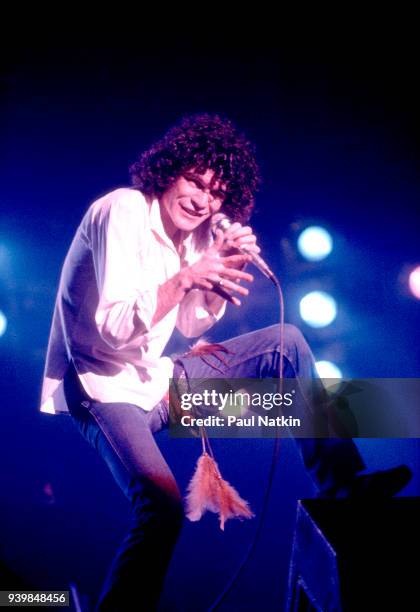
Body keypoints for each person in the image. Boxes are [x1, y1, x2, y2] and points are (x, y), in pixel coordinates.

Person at [40, 114, 411, 611]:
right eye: (194, 181)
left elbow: (191, 325)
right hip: (101, 386)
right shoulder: (123, 209)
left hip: (157, 384)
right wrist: (189, 276)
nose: (202, 199)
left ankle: (341, 484)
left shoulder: (193, 237)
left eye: (215, 193)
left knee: (286, 342)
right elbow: (111, 330)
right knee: (161, 507)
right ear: (167, 171)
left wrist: (222, 269)